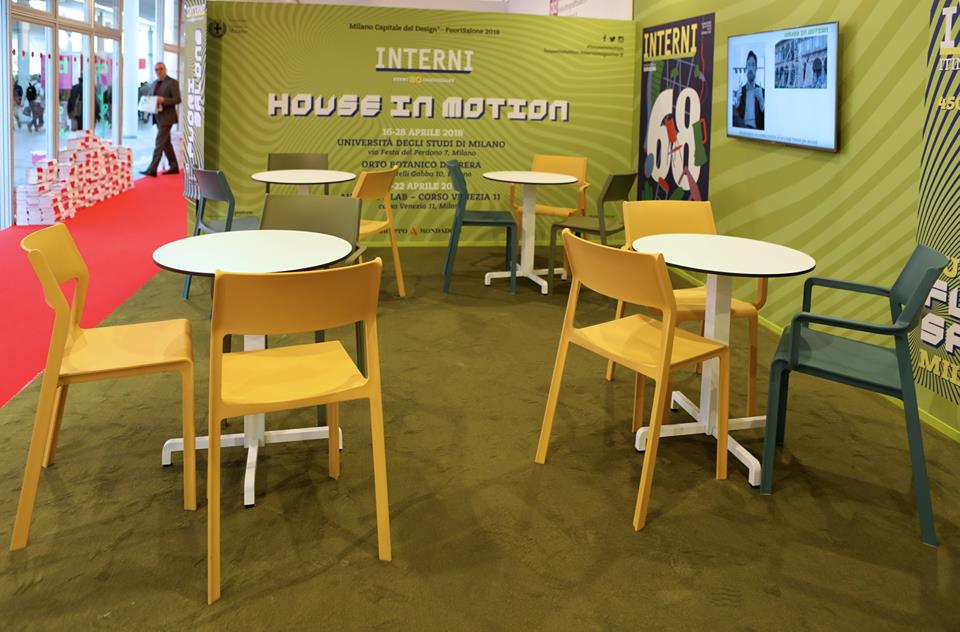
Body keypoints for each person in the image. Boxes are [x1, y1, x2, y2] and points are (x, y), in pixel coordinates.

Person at [141, 62, 181, 176]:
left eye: (161, 69)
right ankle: (174, 166)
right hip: (157, 117)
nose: (159, 71)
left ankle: (152, 169)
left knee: (159, 143)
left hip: (167, 117)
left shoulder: (172, 82)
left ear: (165, 69)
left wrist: (164, 100)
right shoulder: (154, 83)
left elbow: (177, 99)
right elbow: (150, 98)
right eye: (156, 69)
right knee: (166, 143)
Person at [735, 50, 765, 130]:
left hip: (756, 132)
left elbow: (767, 123)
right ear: (746, 68)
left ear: (756, 68)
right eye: (748, 64)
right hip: (743, 131)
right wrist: (737, 104)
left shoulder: (763, 92)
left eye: (753, 65)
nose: (750, 68)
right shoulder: (740, 92)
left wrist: (762, 103)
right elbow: (735, 120)